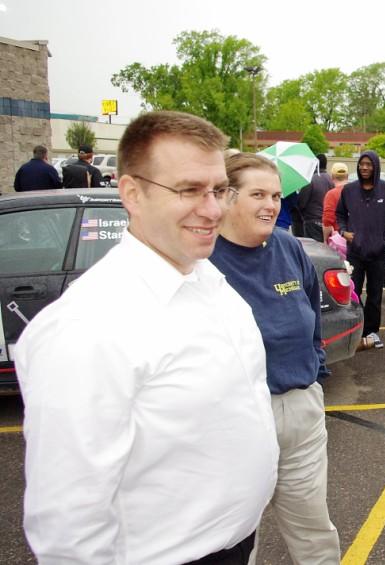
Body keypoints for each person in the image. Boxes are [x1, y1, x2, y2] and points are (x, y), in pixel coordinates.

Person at [15, 111, 278, 564]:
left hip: (236, 543)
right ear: (131, 193)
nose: (213, 209)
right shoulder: (87, 327)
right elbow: (67, 522)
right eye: (189, 190)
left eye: (218, 190)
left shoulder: (207, 279)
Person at [210, 152, 340, 564]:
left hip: (301, 412)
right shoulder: (204, 259)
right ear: (227, 197)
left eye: (277, 195)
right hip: (238, 420)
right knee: (236, 536)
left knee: (313, 529)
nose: (271, 204)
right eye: (258, 194)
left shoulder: (288, 247)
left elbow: (312, 315)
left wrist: (315, 371)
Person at [336, 151, 385, 349]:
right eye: (362, 164)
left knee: (375, 295)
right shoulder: (349, 190)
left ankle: (372, 332)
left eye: (369, 164)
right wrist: (344, 231)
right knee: (352, 294)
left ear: (376, 167)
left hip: (378, 255)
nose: (364, 167)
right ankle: (355, 330)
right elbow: (339, 214)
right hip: (354, 253)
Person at [298, 153, 334, 242]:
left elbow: (301, 203)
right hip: (327, 223)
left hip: (312, 222)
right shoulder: (331, 180)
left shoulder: (310, 180)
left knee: (313, 252)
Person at [322, 162, 349, 242]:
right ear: (347, 176)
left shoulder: (331, 194)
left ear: (332, 177)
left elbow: (328, 221)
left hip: (338, 240)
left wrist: (325, 240)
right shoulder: (355, 192)